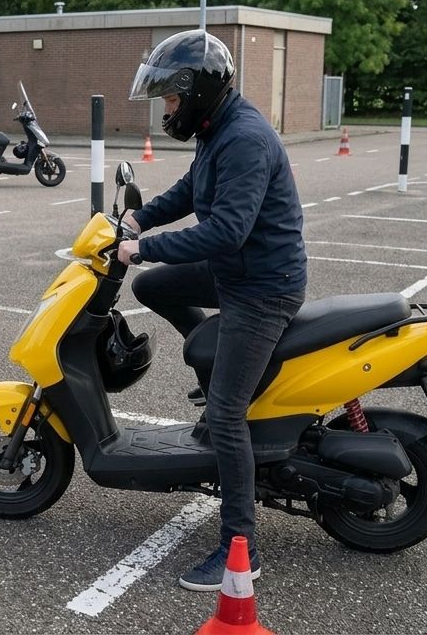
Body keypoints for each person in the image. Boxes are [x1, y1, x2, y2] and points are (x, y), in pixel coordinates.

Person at [114, 29, 307, 592]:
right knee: (153, 289)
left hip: (262, 288)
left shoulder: (244, 137)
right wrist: (140, 218)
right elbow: (192, 190)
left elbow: (226, 230)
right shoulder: (215, 128)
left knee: (226, 415)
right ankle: (215, 365)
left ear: (196, 90)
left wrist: (142, 247)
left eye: (171, 98)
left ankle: (237, 546)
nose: (167, 109)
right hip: (238, 274)